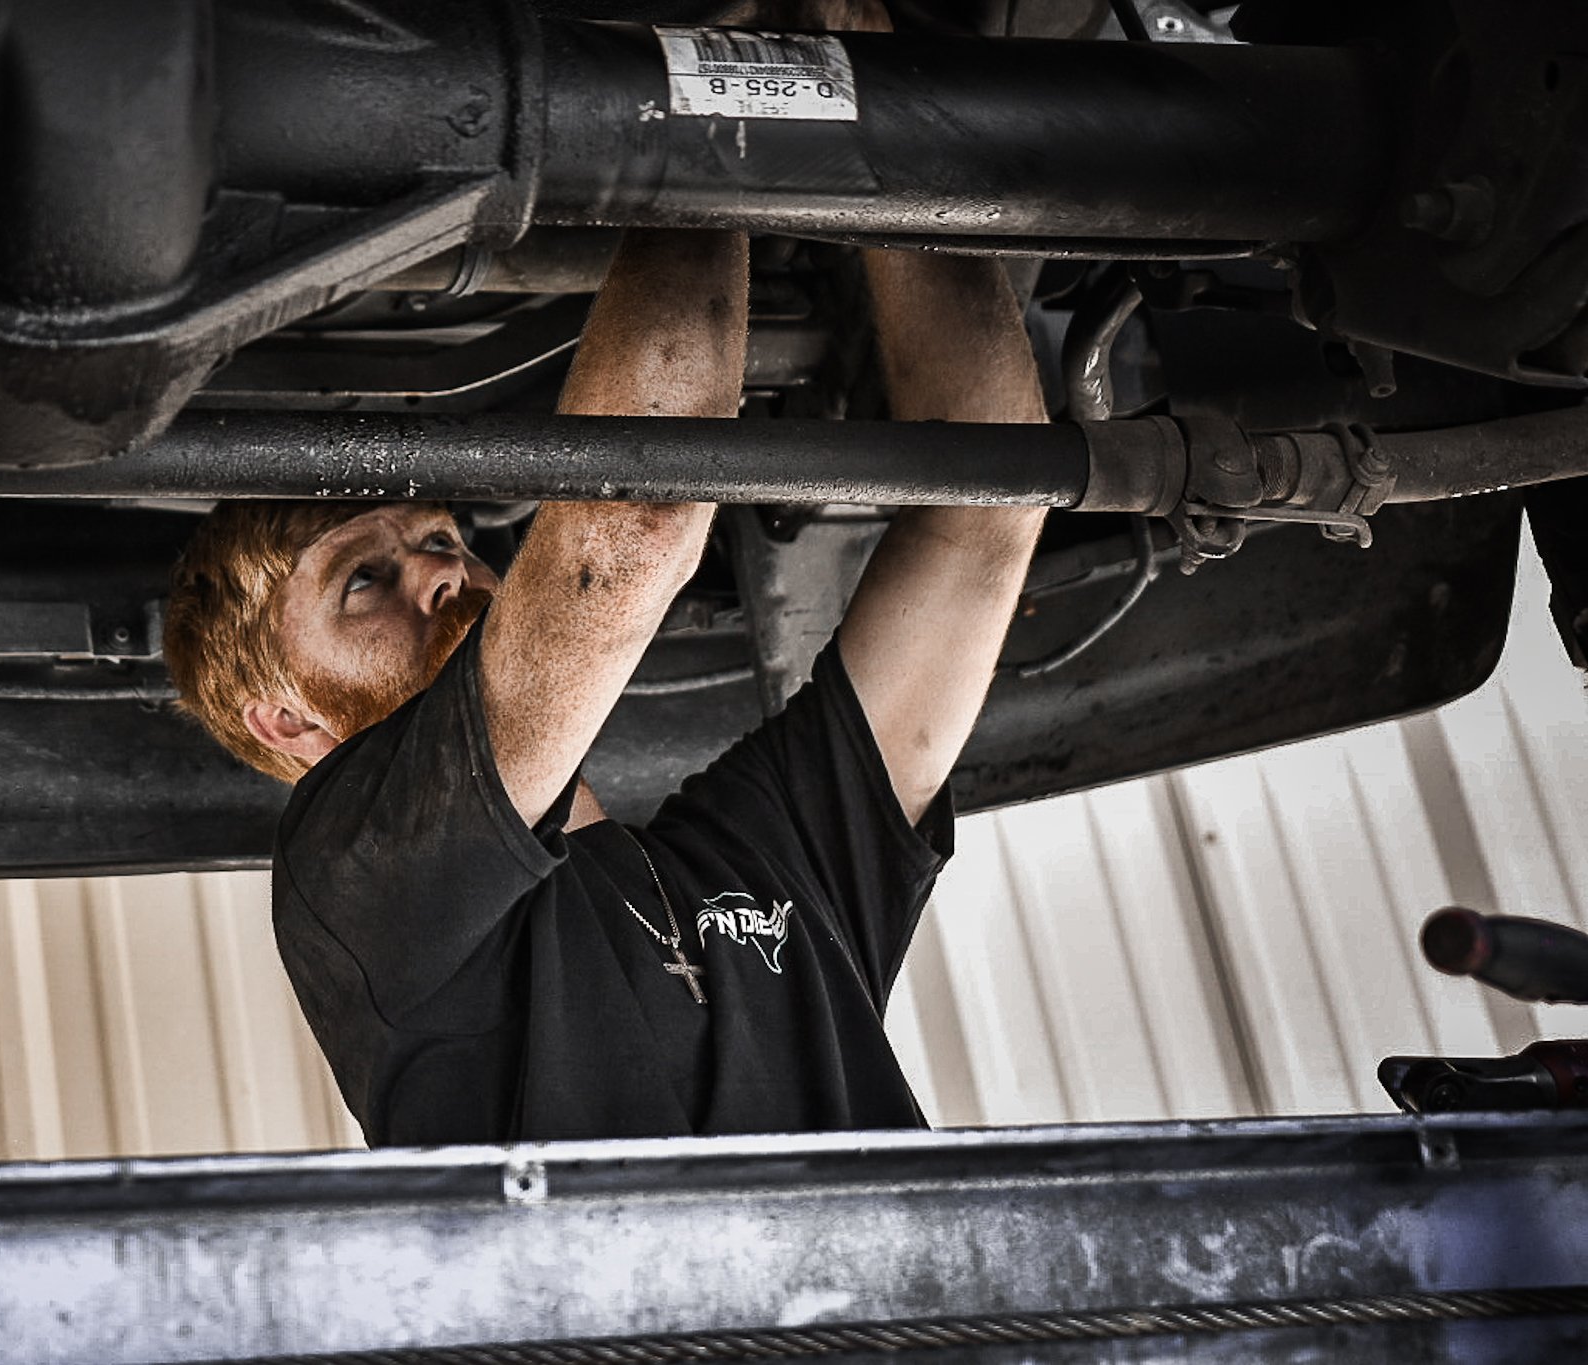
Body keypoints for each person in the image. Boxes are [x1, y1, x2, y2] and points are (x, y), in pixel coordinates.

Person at [164, 221, 1047, 1146]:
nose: (439, 573)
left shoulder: (761, 858)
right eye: (362, 582)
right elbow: (637, 524)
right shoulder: (349, 879)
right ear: (286, 719)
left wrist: (885, 152)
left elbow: (984, 516)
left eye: (436, 539)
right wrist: (714, 129)